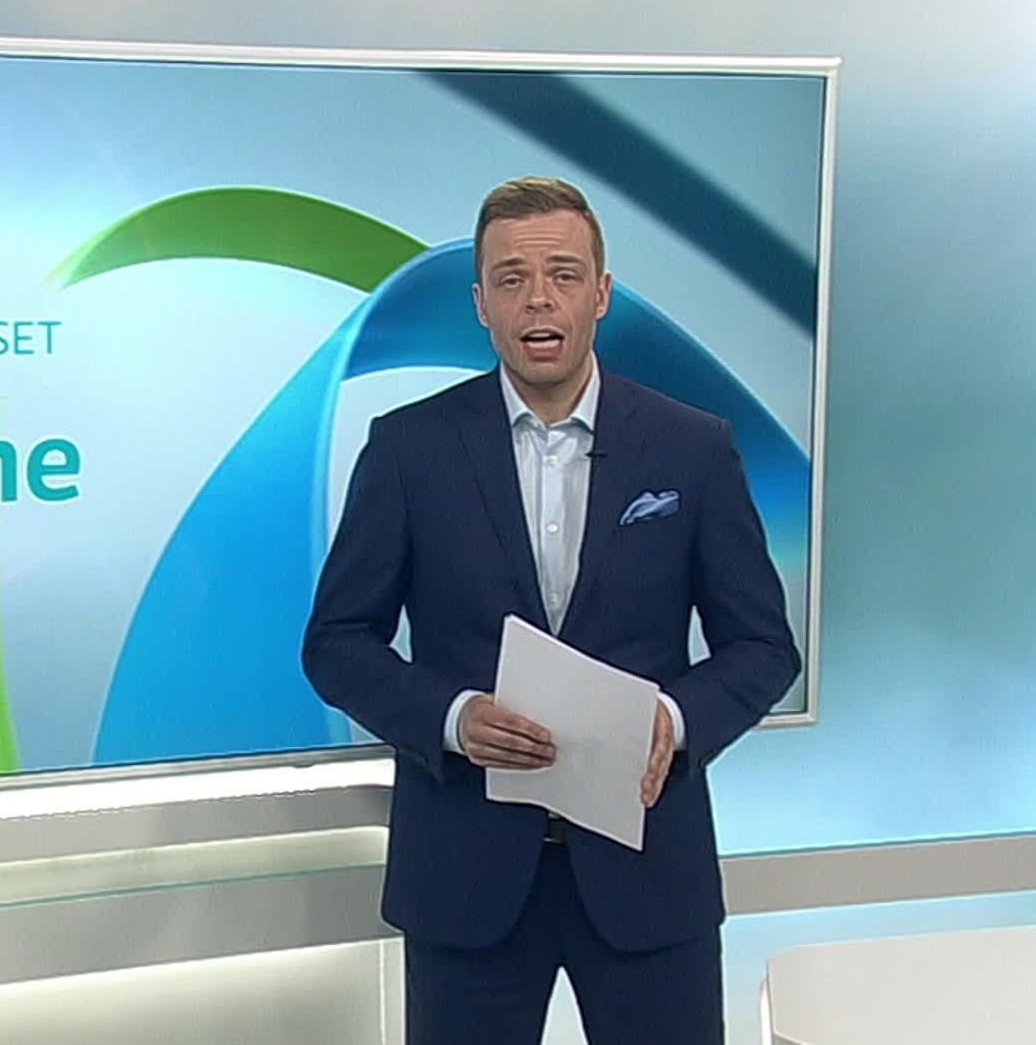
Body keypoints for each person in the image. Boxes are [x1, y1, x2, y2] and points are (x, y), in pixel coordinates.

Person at [301, 176, 801, 1044]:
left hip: (649, 875)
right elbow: (337, 643)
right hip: (467, 878)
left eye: (564, 275)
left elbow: (762, 646)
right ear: (481, 305)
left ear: (601, 295)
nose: (539, 298)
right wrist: (453, 718)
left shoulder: (692, 448)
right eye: (512, 278)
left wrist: (674, 720)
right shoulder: (409, 449)